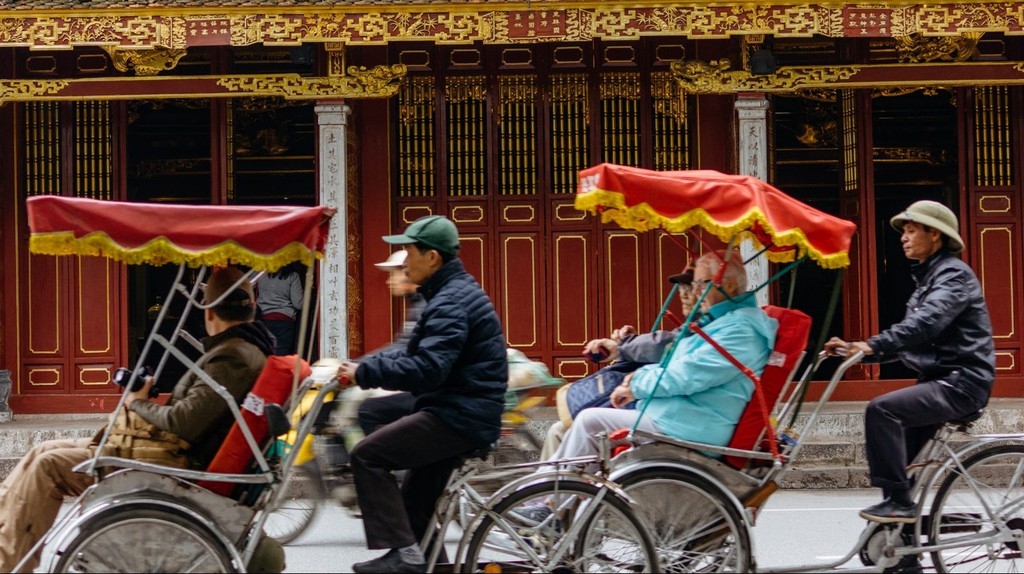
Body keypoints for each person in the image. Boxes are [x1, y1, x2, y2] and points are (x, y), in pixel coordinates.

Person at [0, 266, 276, 572]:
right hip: (166, 452)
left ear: (209, 313)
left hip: (174, 464)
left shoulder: (233, 357)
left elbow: (184, 423)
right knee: (42, 449)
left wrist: (138, 402)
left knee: (47, 466)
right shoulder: (242, 351)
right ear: (253, 307)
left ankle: (10, 564)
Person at [337, 215, 508, 574]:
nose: (404, 262)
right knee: (416, 505)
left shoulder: (449, 302)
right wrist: (360, 367)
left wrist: (363, 374)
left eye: (409, 253)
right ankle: (419, 560)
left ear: (432, 257)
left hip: (459, 415)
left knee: (367, 456)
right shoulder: (445, 295)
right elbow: (410, 354)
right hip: (458, 409)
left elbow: (428, 369)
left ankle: (404, 555)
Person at [540, 251, 777, 485]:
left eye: (701, 284)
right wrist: (638, 374)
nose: (694, 292)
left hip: (692, 424)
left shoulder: (740, 331)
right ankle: (566, 495)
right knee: (579, 428)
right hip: (678, 415)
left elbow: (687, 374)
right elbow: (675, 360)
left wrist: (636, 384)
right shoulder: (720, 323)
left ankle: (549, 498)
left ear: (731, 285)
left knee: (590, 421)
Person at [825, 200, 995, 525]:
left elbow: (925, 323)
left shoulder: (953, 275)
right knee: (902, 463)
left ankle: (900, 504)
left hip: (961, 382)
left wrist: (872, 345)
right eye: (904, 231)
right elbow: (913, 338)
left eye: (912, 230)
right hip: (941, 380)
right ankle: (901, 539)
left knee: (882, 410)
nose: (904, 237)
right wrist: (859, 350)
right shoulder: (929, 278)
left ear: (935, 234)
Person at [542, 263, 698, 459]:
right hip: (662, 408)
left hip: (673, 416)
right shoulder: (700, 325)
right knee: (561, 429)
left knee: (579, 424)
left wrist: (627, 359)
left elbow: (668, 346)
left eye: (692, 286)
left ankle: (560, 478)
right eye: (682, 287)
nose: (684, 294)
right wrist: (629, 345)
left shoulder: (709, 329)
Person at [256, 265, 303, 355]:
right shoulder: (292, 276)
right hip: (284, 321)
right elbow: (298, 304)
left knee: (264, 354)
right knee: (281, 355)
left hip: (263, 319)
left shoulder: (261, 273)